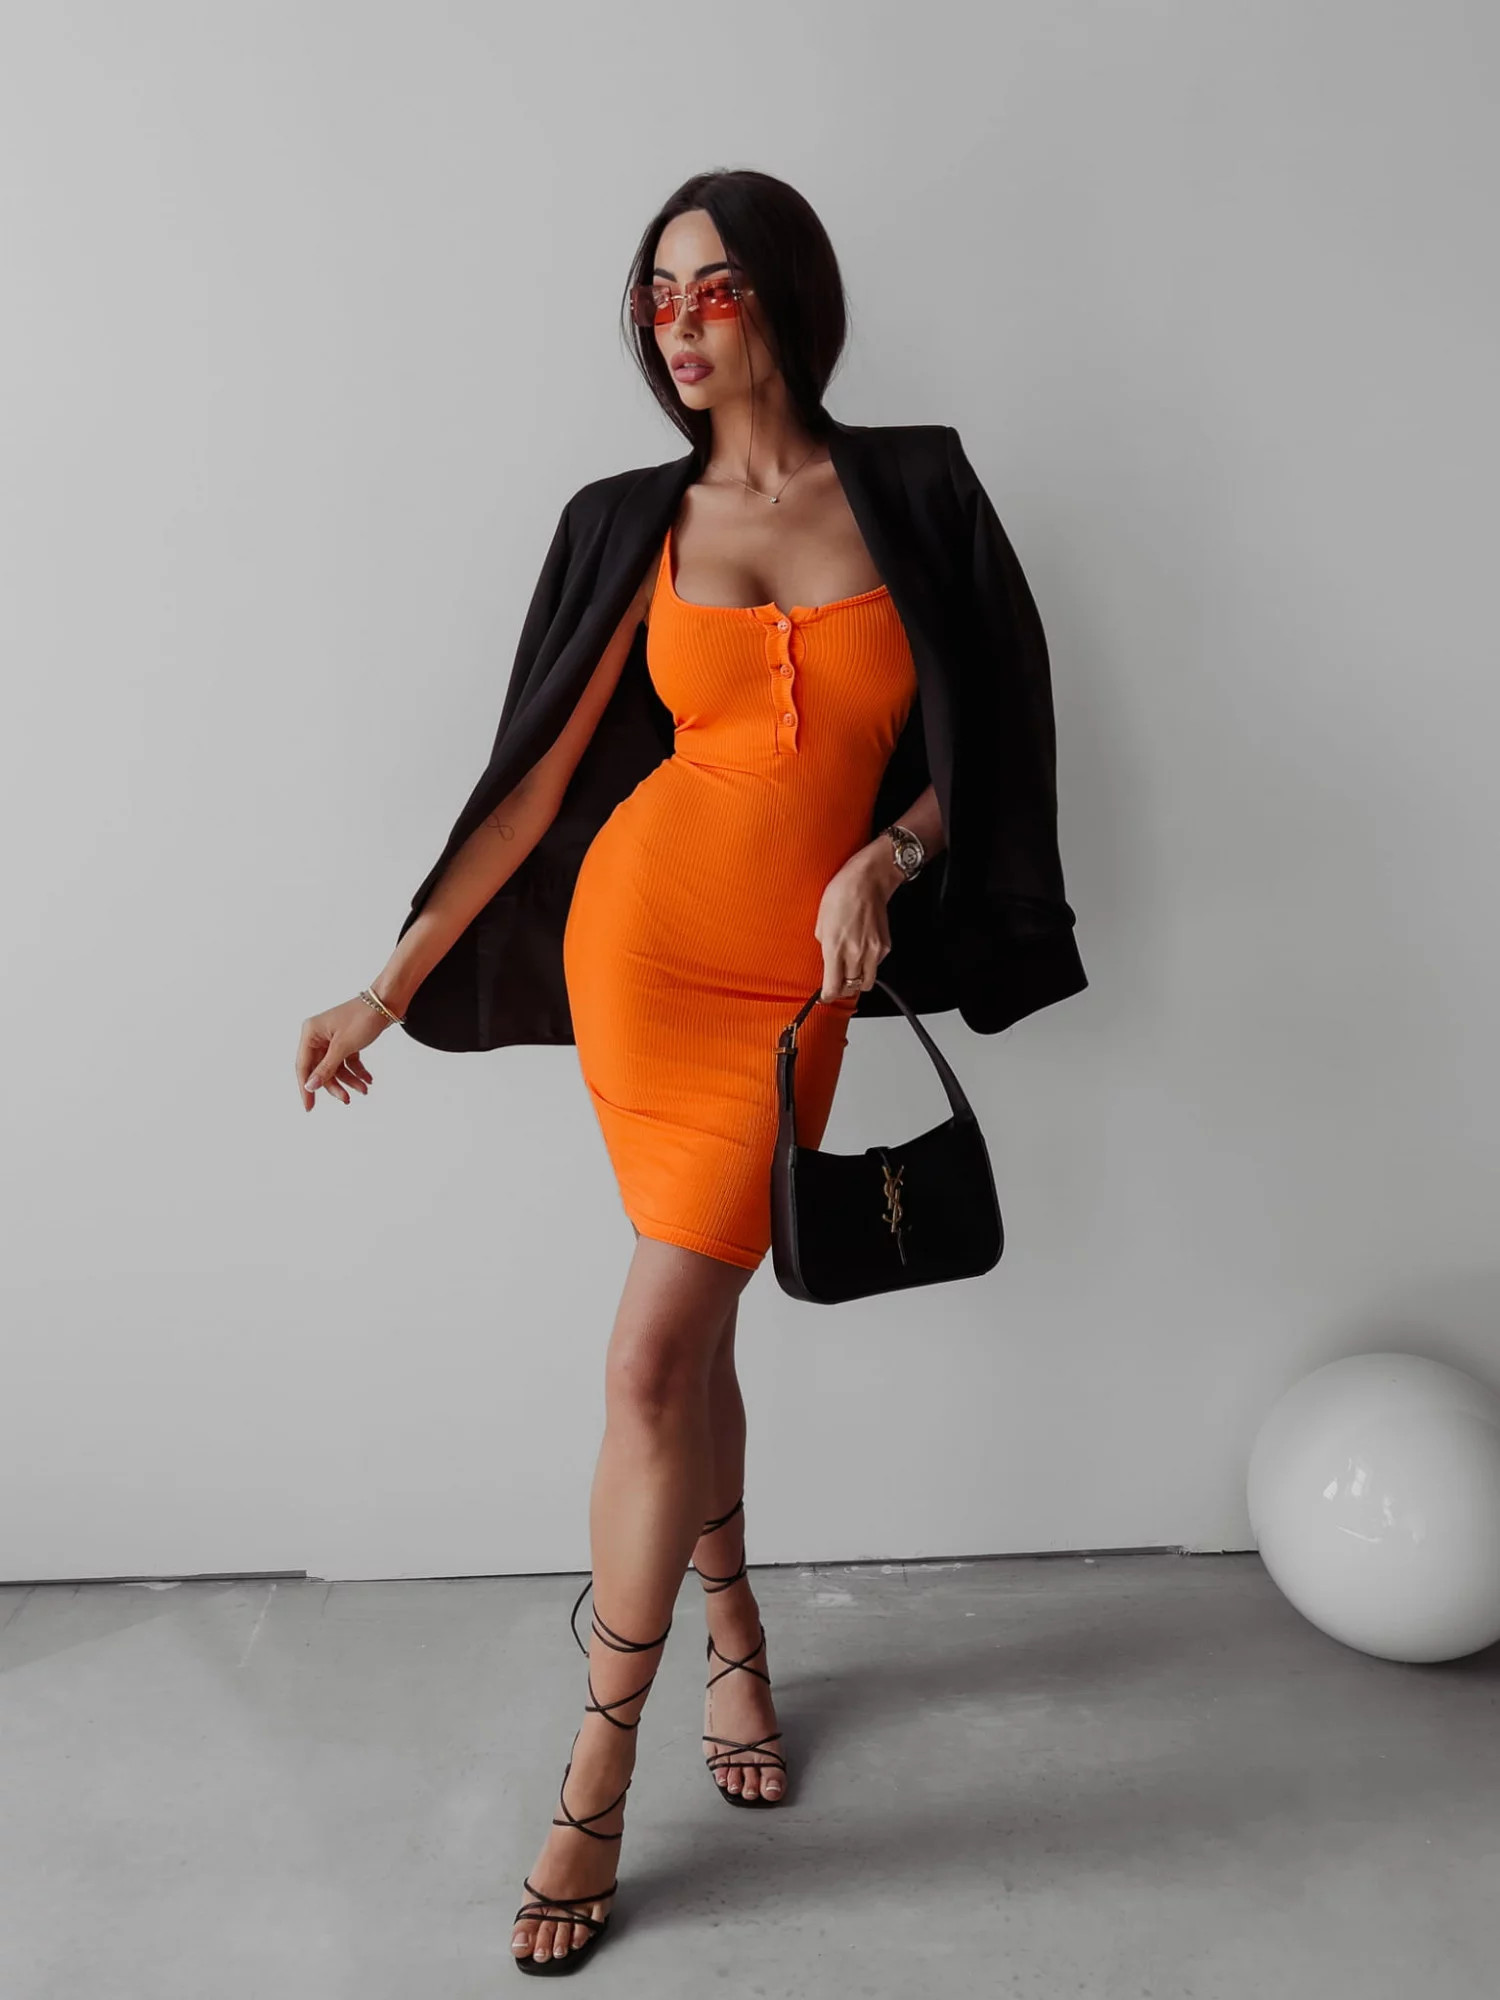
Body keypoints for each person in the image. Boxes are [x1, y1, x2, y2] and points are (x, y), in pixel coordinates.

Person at [295, 169, 1047, 1976]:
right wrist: (384, 990)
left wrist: (888, 858)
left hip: (794, 992)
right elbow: (531, 787)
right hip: (639, 952)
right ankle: (626, 1747)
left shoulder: (919, 487)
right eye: (657, 295)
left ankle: (707, 1669)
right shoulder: (629, 519)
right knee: (669, 1348)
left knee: (670, 1348)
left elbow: (1000, 739)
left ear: (786, 292)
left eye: (714, 287)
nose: (681, 322)